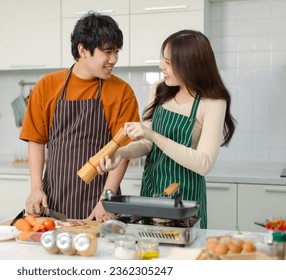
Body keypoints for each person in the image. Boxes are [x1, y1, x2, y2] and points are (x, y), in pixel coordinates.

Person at [97, 30, 236, 229]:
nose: (162, 66)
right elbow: (145, 143)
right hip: (151, 193)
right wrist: (121, 152)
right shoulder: (160, 89)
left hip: (184, 200)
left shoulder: (212, 102)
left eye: (169, 62)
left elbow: (204, 163)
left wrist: (154, 136)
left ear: (190, 64)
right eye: (164, 59)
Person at [19, 12, 140, 222]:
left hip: (101, 203)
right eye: (107, 51)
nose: (114, 59)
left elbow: (124, 151)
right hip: (54, 200)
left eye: (117, 51)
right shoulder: (46, 86)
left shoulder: (122, 92)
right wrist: (36, 189)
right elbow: (36, 140)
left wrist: (106, 198)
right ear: (83, 49)